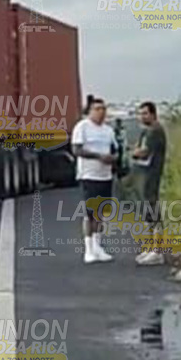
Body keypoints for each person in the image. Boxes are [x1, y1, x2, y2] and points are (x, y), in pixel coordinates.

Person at [71, 97, 117, 264]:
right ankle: (88, 248)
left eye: (103, 109)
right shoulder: (82, 127)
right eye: (97, 109)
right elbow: (76, 149)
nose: (101, 112)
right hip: (89, 175)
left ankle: (98, 246)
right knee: (90, 213)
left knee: (101, 212)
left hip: (105, 175)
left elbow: (114, 149)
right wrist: (98, 156)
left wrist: (113, 159)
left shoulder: (108, 131)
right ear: (89, 111)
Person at [132, 101, 167, 266]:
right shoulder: (146, 132)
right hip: (144, 175)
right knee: (147, 212)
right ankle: (150, 247)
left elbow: (144, 153)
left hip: (152, 174)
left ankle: (157, 251)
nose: (142, 116)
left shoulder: (155, 132)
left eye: (145, 113)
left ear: (153, 114)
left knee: (153, 212)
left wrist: (135, 153)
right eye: (141, 113)